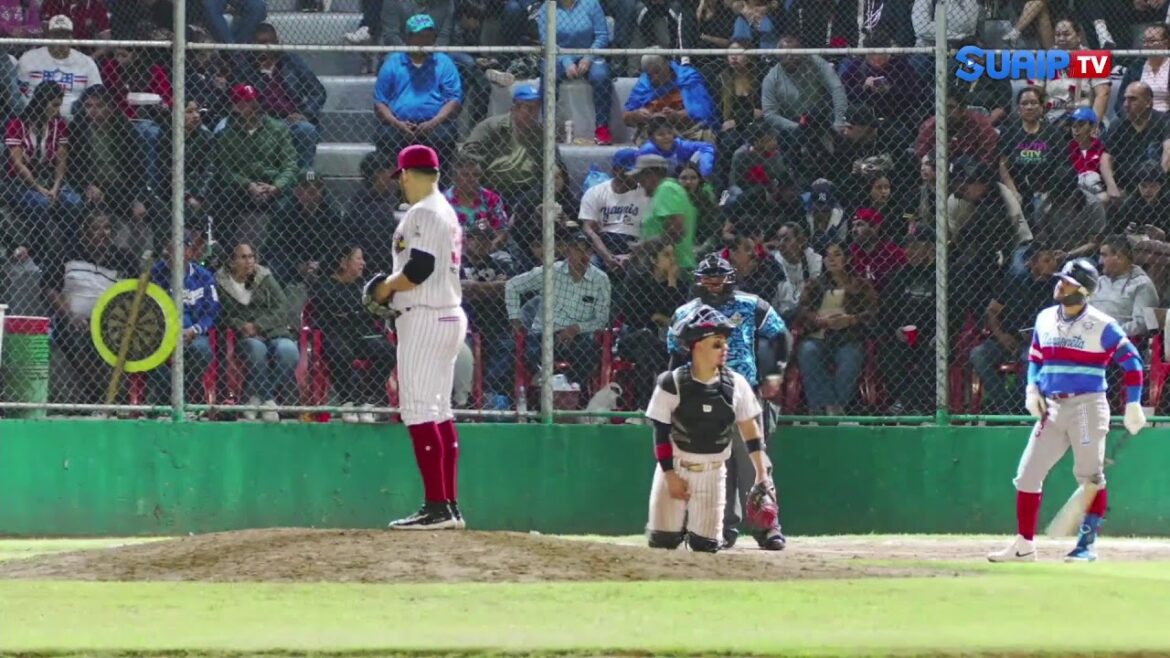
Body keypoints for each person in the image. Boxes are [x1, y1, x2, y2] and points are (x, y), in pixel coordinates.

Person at [988, 259, 1147, 564]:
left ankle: (1086, 546)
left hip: (1087, 406)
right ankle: (1024, 545)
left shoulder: (1102, 325)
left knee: (1089, 477)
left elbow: (1133, 362)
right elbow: (1035, 357)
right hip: (1052, 406)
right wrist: (1031, 389)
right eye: (1060, 279)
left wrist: (1133, 403)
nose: (1058, 284)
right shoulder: (1046, 317)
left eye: (1067, 282)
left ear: (1083, 291)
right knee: (1027, 476)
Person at [365, 144, 469, 531]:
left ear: (409, 174)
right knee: (439, 411)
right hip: (447, 314)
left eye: (402, 176)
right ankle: (448, 505)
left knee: (419, 411)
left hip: (425, 315)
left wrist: (385, 288)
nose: (401, 184)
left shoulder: (424, 211)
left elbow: (419, 268)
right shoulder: (446, 210)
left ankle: (437, 507)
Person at [668, 253, 787, 550]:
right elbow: (674, 352)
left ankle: (768, 528)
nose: (713, 282)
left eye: (718, 276)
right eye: (707, 277)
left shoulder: (751, 305)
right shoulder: (686, 312)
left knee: (753, 462)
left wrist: (776, 372)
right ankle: (719, 529)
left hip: (743, 391)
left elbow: (781, 334)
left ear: (730, 278)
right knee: (712, 465)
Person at [645, 305, 773, 553]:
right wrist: (670, 476)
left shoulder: (736, 383)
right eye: (716, 344)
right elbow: (661, 435)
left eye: (724, 342)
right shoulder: (671, 382)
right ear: (697, 346)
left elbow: (749, 429)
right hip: (676, 467)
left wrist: (761, 472)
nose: (725, 348)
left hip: (713, 473)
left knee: (705, 546)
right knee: (663, 542)